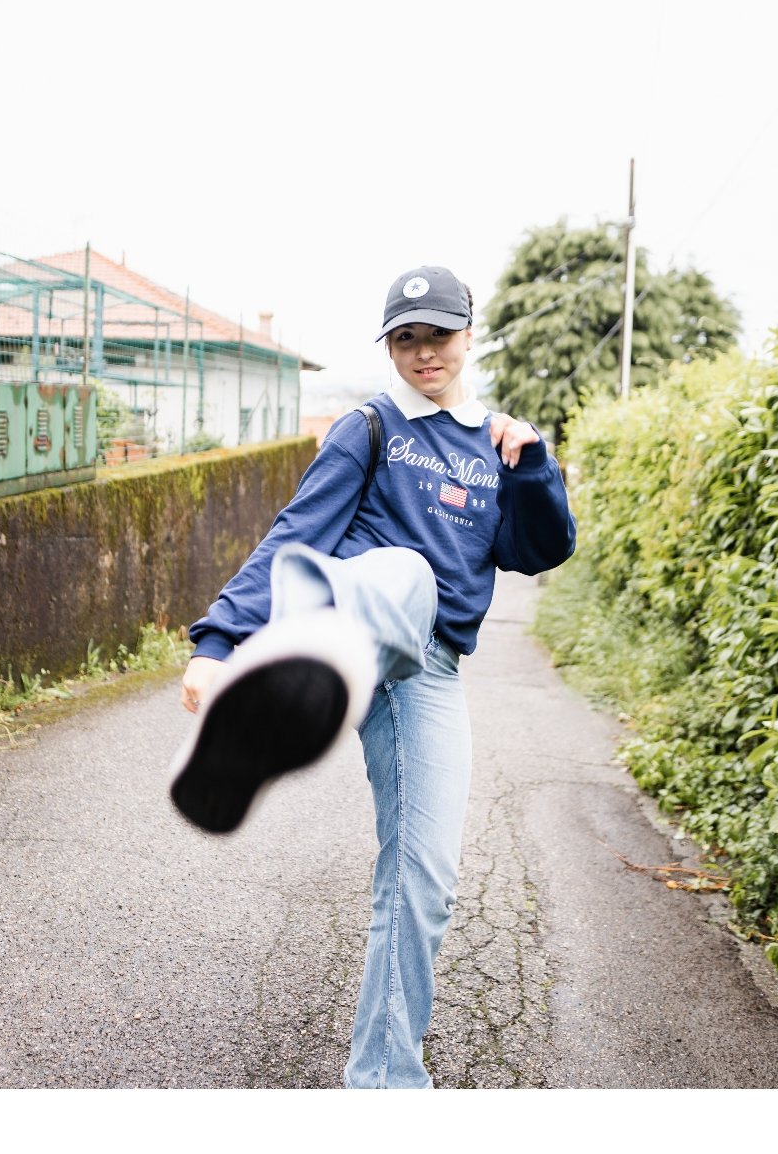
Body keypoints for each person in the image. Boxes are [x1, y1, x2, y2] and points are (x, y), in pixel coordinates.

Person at [170, 263, 576, 1089]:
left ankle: (384, 1086)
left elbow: (539, 551)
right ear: (391, 347)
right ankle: (309, 664)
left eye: (439, 334)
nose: (424, 352)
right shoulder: (371, 426)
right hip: (360, 609)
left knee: (425, 877)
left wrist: (531, 463)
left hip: (427, 669)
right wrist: (217, 642)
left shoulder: (500, 443)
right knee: (408, 573)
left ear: (470, 334)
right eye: (406, 338)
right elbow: (296, 531)